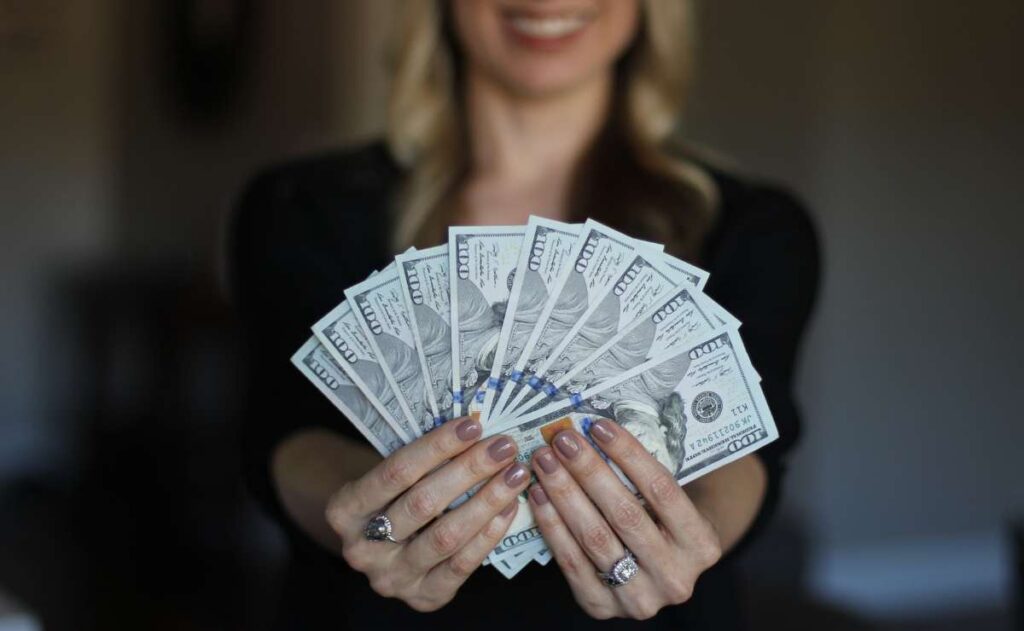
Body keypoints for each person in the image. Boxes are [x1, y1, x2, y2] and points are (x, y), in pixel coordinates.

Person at [230, 0, 819, 628]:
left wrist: (697, 530)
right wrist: (368, 510)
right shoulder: (299, 209)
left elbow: (753, 444)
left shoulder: (754, 228)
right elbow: (284, 430)